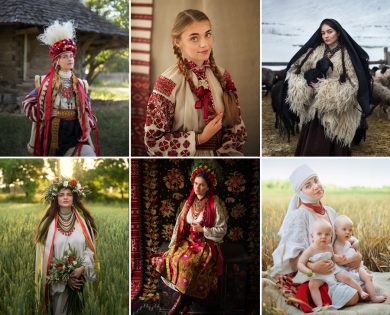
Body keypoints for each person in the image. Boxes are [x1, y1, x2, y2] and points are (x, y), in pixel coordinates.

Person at [144, 9, 247, 156]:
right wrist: (200, 139)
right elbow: (152, 142)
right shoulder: (168, 83)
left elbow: (237, 128)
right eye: (194, 38)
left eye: (208, 34)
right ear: (177, 42)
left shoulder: (223, 76)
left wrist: (224, 156)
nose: (204, 44)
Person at [271, 164, 362, 311]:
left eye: (316, 180)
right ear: (300, 193)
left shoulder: (330, 211)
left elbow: (342, 236)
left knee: (363, 282)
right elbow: (291, 257)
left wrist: (353, 244)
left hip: (333, 265)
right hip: (313, 273)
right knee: (353, 297)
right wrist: (312, 267)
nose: (316, 186)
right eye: (308, 185)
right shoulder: (299, 216)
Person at [279, 19, 372, 156]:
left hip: (336, 116)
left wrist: (322, 88)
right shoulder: (314, 52)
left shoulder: (348, 56)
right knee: (311, 149)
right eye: (323, 33)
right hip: (313, 113)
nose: (326, 36)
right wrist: (306, 86)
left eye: (330, 32)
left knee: (334, 150)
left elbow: (353, 84)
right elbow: (295, 72)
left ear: (338, 33)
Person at [153, 164, 228, 314]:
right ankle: (186, 300)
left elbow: (222, 230)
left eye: (202, 185)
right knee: (170, 258)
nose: (198, 188)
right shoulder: (189, 203)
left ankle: (183, 301)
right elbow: (179, 224)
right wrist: (174, 242)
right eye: (195, 184)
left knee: (190, 264)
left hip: (206, 243)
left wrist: (203, 229)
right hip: (188, 241)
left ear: (208, 187)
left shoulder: (214, 205)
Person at [22, 20, 99, 156]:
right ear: (57, 60)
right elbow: (27, 103)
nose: (70, 59)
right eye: (65, 56)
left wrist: (87, 121)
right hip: (52, 135)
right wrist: (45, 114)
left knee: (88, 155)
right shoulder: (45, 82)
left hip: (75, 134)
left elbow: (89, 111)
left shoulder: (81, 84)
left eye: (71, 56)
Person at [34, 177, 98, 314]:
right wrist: (65, 278)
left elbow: (89, 249)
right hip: (59, 286)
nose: (65, 198)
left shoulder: (84, 224)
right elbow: (44, 259)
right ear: (55, 198)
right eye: (61, 194)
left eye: (69, 194)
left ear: (74, 197)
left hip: (81, 283)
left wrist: (82, 268)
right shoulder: (47, 226)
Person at [293, 219, 368, 312]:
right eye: (319, 234)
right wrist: (307, 270)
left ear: (331, 236)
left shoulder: (329, 247)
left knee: (346, 278)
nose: (323, 237)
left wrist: (339, 258)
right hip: (319, 275)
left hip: (333, 270)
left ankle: (361, 291)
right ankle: (320, 306)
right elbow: (300, 263)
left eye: (327, 234)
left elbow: (332, 257)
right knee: (312, 284)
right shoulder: (310, 250)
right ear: (312, 236)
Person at [334, 215, 387, 303]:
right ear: (335, 231)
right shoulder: (337, 245)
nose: (348, 232)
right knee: (366, 278)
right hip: (348, 270)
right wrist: (354, 258)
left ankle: (373, 296)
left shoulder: (346, 240)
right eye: (344, 229)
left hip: (356, 268)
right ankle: (372, 297)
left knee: (368, 278)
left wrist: (356, 243)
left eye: (350, 230)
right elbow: (342, 261)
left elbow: (356, 241)